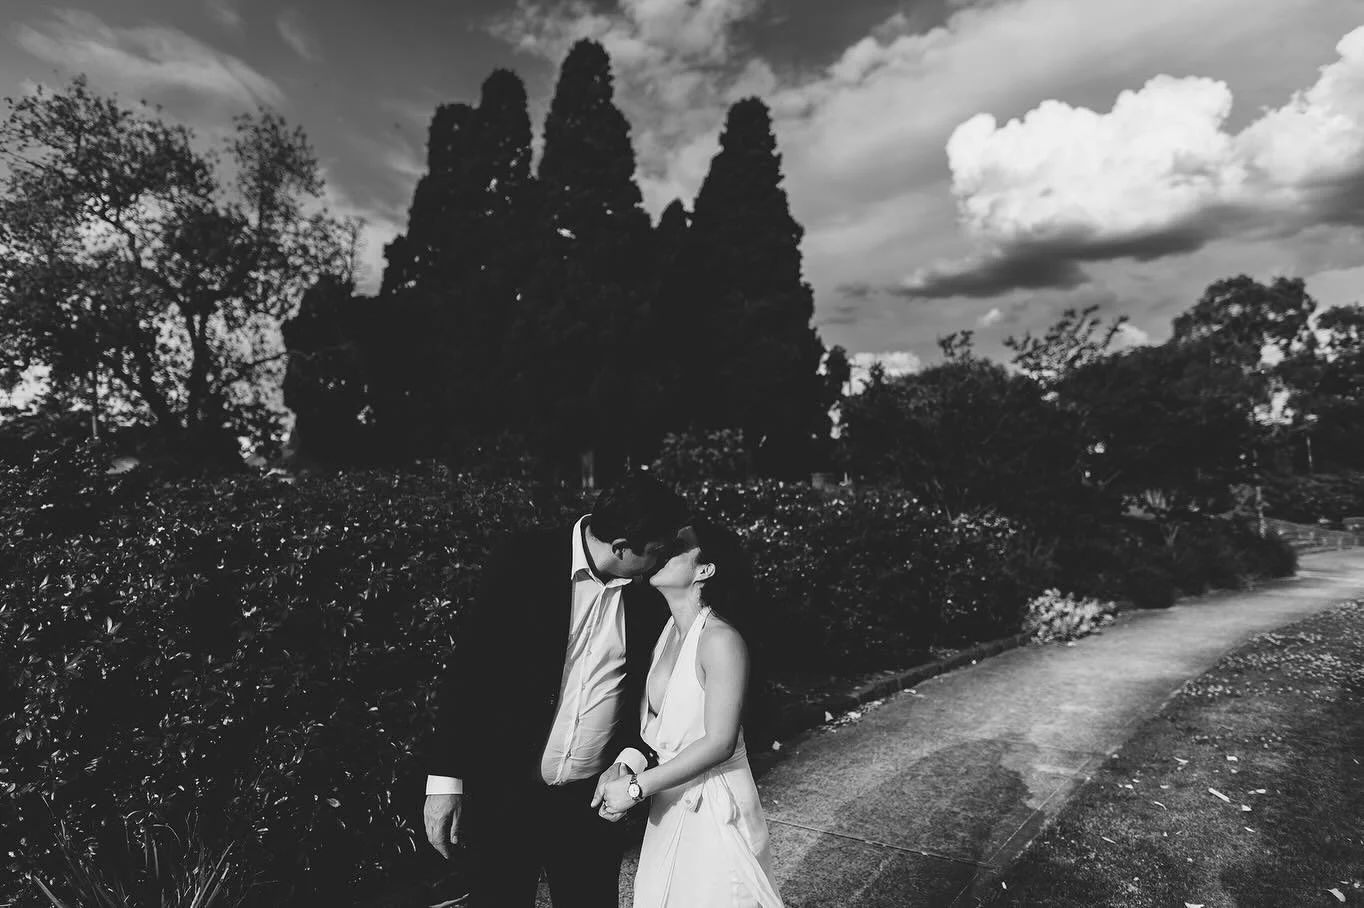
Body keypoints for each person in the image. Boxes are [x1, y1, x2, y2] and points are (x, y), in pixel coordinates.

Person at [423, 472, 690, 907]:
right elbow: (470, 668)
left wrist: (629, 757)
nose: (661, 562)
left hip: (591, 802)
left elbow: (651, 689)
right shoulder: (524, 557)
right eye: (657, 551)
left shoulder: (649, 592)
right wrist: (445, 781)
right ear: (621, 547)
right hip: (506, 792)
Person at [594, 520, 784, 907]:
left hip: (717, 809)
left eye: (678, 546)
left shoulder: (721, 640)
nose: (664, 549)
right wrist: (626, 763)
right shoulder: (666, 630)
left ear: (705, 570)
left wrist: (636, 788)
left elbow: (719, 742)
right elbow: (659, 727)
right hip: (669, 802)